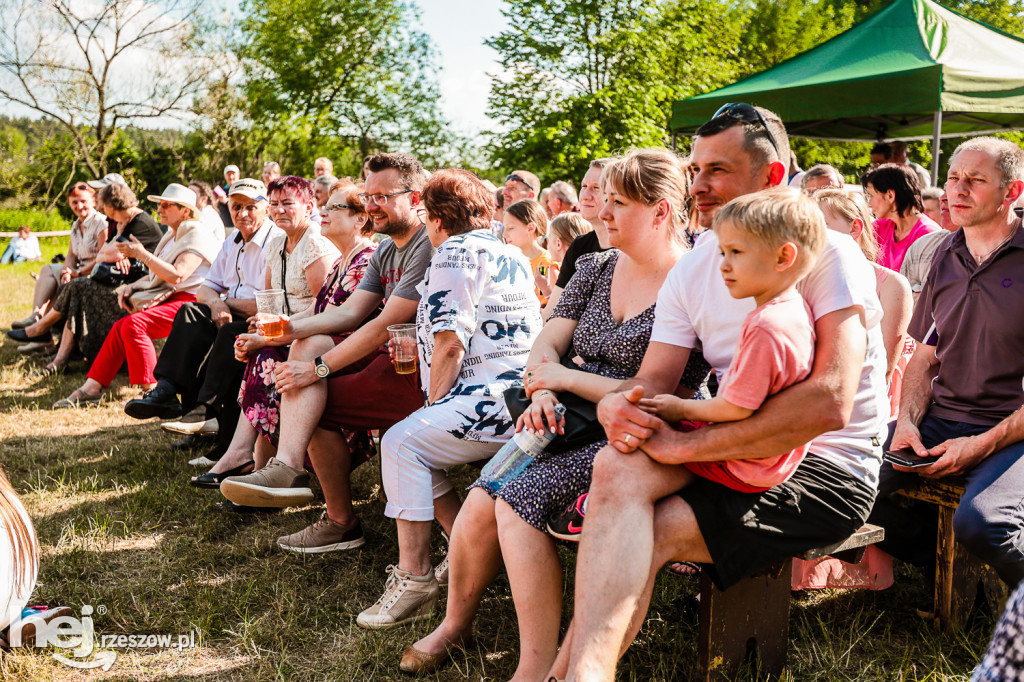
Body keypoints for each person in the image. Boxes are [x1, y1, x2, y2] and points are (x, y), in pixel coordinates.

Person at [554, 105, 887, 682]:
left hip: (829, 467)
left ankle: (570, 673)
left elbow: (828, 402)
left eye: (717, 170)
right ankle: (576, 675)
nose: (697, 184)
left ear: (772, 178)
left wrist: (685, 448)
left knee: (640, 529)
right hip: (734, 449)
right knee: (614, 469)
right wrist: (618, 403)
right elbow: (652, 385)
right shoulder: (697, 265)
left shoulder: (825, 254)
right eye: (694, 167)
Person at [401, 149, 703, 677]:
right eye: (602, 200)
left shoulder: (689, 280)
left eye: (617, 203)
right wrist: (542, 391)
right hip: (560, 416)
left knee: (514, 506)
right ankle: (454, 624)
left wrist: (559, 378)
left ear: (660, 212)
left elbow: (647, 391)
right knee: (477, 505)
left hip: (632, 433)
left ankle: (534, 668)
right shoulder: (594, 266)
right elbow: (546, 343)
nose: (601, 213)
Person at [355, 169, 542, 630]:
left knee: (401, 443)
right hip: (525, 398)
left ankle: (414, 575)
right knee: (418, 448)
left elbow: (450, 343)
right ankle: (468, 552)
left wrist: (431, 405)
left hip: (490, 402)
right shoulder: (508, 251)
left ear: (436, 219)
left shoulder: (453, 252)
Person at [217, 152, 432, 517]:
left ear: (414, 199)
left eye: (382, 197)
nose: (373, 205)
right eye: (368, 196)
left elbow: (376, 326)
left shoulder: (423, 244)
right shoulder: (383, 253)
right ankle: (287, 467)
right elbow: (346, 312)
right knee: (304, 350)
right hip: (385, 356)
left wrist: (315, 370)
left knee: (308, 401)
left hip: (420, 366)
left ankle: (335, 516)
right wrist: (283, 331)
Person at [868, 137, 1024, 589]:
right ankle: (943, 567)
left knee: (982, 525)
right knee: (849, 484)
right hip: (940, 422)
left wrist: (980, 445)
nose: (958, 189)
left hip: (1013, 432)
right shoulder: (944, 253)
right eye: (953, 177)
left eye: (975, 180)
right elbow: (926, 356)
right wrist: (909, 421)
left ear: (1011, 193)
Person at [637, 188, 824, 493]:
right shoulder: (795, 309)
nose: (723, 264)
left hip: (745, 465)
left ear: (783, 256)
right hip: (771, 460)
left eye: (736, 253)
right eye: (723, 252)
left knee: (637, 442)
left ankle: (594, 508)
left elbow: (736, 408)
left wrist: (680, 408)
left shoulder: (766, 326)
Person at [193, 182, 378, 489]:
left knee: (269, 356)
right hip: (320, 342)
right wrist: (269, 329)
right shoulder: (344, 261)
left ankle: (254, 460)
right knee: (256, 350)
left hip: (347, 353)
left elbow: (338, 320)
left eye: (333, 208)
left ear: (360, 219)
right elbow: (315, 309)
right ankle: (256, 466)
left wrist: (270, 338)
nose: (324, 212)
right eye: (325, 206)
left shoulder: (365, 259)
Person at [122, 179, 281, 464]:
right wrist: (217, 303)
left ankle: (203, 415)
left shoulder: (274, 241)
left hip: (261, 319)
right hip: (230, 312)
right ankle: (167, 390)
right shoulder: (232, 241)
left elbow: (266, 301)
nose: (242, 213)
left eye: (250, 207)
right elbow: (206, 289)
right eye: (236, 207)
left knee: (229, 333)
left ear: (265, 209)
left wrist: (223, 303)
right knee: (190, 313)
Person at [53, 184, 221, 408]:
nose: (159, 209)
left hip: (194, 304)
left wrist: (142, 254)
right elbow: (155, 276)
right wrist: (131, 287)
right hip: (173, 298)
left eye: (166, 205)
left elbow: (178, 275)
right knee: (120, 326)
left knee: (133, 325)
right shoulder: (172, 234)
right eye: (159, 204)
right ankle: (92, 387)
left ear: (185, 211)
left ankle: (155, 392)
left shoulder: (196, 234)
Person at [23, 182, 164, 375]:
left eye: (103, 205)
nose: (102, 209)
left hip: (140, 287)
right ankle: (57, 352)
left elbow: (108, 252)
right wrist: (113, 253)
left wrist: (114, 253)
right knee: (77, 288)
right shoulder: (123, 222)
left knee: (77, 287)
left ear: (112, 206)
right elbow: (104, 253)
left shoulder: (140, 223)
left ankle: (43, 333)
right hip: (123, 282)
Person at [8, 183, 107, 336]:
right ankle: (36, 316)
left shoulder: (101, 222)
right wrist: (66, 272)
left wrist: (77, 273)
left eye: (83, 201)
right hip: (77, 270)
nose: (79, 206)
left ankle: (42, 330)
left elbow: (103, 256)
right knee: (48, 269)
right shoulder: (75, 225)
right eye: (74, 202)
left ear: (93, 201)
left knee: (64, 287)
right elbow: (71, 255)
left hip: (93, 273)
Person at [542, 158, 613, 320]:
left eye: (596, 188)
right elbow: (552, 312)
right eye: (584, 187)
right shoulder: (580, 246)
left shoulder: (628, 250)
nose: (586, 195)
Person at [262, 176, 338, 314]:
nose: (279, 210)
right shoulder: (276, 244)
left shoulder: (315, 243)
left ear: (308, 207)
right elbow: (269, 297)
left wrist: (286, 327)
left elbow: (323, 308)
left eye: (287, 203)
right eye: (274, 204)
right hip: (280, 325)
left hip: (309, 328)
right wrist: (262, 319)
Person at [864, 163, 941, 271]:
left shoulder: (928, 234)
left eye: (871, 195)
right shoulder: (879, 227)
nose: (869, 204)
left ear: (890, 195)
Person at [502, 199, 556, 306]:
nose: (504, 234)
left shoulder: (545, 263)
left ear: (530, 228)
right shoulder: (508, 260)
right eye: (504, 228)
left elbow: (546, 303)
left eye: (510, 228)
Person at [534, 213, 592, 305]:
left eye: (548, 240)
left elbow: (564, 312)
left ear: (558, 244)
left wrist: (546, 290)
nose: (546, 246)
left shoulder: (573, 275)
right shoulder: (587, 268)